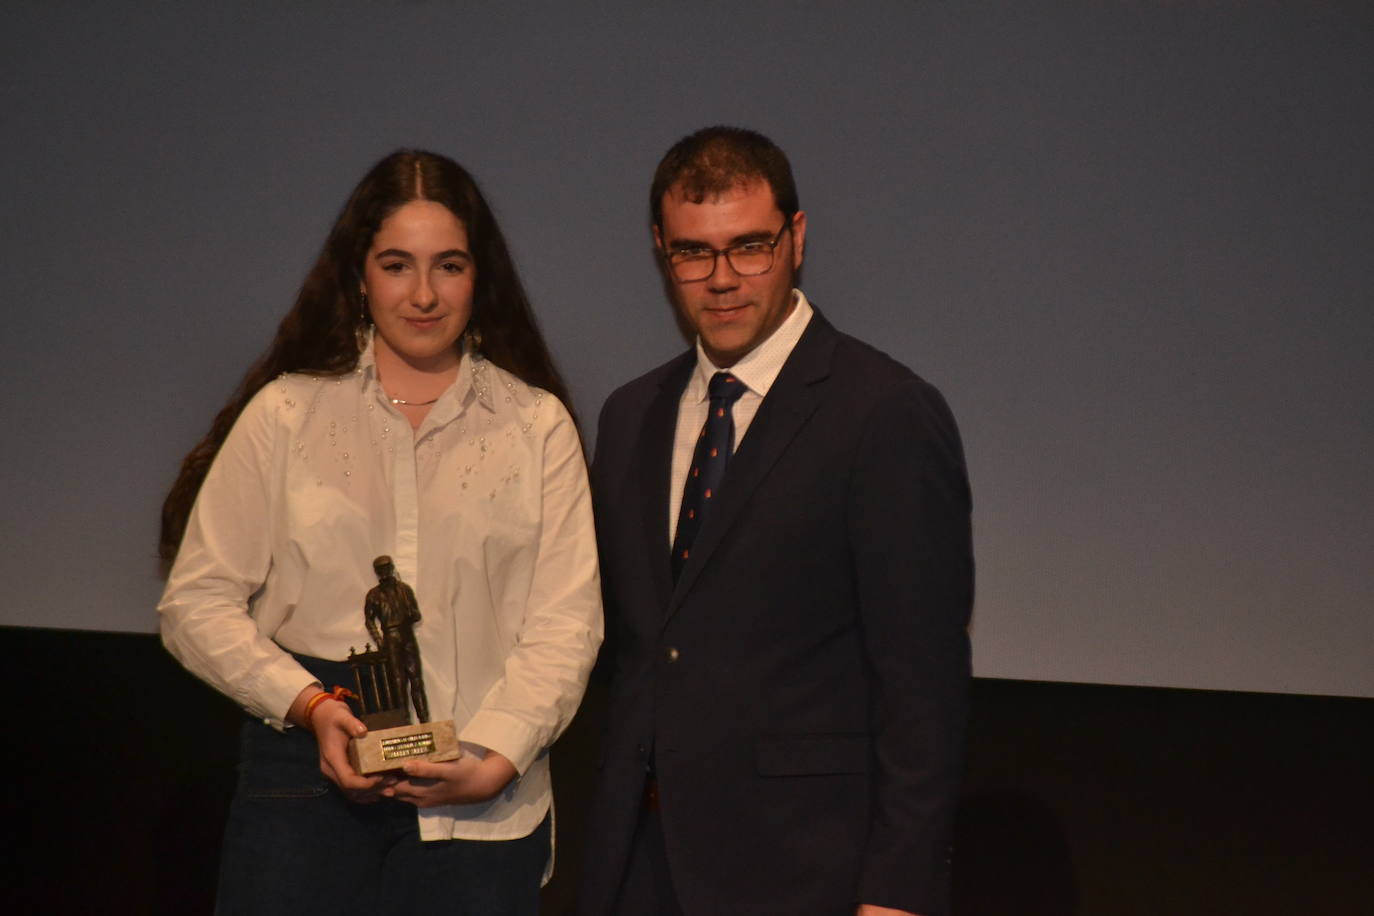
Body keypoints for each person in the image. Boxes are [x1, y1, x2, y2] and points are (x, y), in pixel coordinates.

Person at [158, 150, 602, 916]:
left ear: (479, 277)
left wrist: (496, 757)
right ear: (359, 276)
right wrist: (310, 705)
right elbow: (195, 603)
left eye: (449, 266)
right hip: (306, 784)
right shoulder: (288, 414)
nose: (423, 294)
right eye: (397, 265)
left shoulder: (536, 426)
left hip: (483, 807)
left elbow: (565, 622)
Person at [579, 127, 973, 916]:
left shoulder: (885, 412)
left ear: (796, 238)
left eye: (748, 247)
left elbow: (923, 681)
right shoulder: (631, 415)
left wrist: (897, 891)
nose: (721, 280)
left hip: (803, 869)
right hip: (639, 866)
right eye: (693, 253)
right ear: (661, 250)